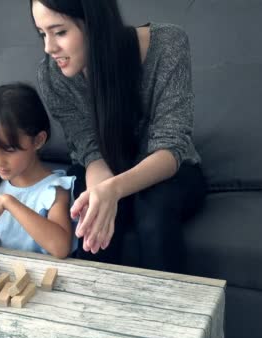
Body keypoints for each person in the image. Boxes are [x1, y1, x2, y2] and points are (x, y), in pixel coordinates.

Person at [31, 0, 206, 272]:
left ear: (95, 24)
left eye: (60, 32)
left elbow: (170, 147)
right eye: (43, 33)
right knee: (92, 218)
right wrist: (102, 193)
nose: (49, 47)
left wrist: (114, 190)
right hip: (102, 168)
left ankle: (168, 312)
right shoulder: (52, 75)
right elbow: (90, 151)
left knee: (153, 214)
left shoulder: (168, 44)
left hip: (169, 170)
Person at [0, 83, 77, 259]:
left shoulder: (54, 190)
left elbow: (61, 248)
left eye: (9, 150)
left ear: (38, 140)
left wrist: (7, 202)